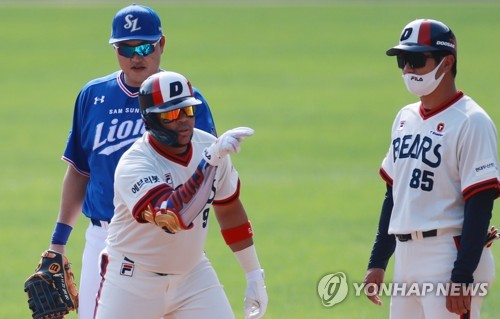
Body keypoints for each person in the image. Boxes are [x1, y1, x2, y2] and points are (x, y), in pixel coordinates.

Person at [47, 4, 217, 319]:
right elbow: (79, 171)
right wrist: (58, 242)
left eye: (144, 46)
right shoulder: (92, 95)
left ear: (162, 44)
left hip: (169, 235)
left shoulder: (188, 100)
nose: (136, 56)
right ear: (115, 49)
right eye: (125, 48)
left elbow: (206, 173)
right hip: (105, 239)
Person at [93, 71, 268, 319]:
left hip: (192, 275)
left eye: (188, 111)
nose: (184, 120)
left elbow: (228, 208)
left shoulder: (208, 146)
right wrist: (209, 162)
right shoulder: (135, 164)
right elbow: (174, 217)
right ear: (151, 119)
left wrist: (253, 274)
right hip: (132, 281)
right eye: (172, 114)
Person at [364, 18, 499, 319]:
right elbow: (394, 195)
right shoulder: (404, 118)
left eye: (416, 60)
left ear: (446, 62)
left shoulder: (471, 121)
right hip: (406, 255)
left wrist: (462, 276)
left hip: (448, 255)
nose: (408, 70)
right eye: (403, 60)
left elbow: (480, 204)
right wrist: (378, 261)